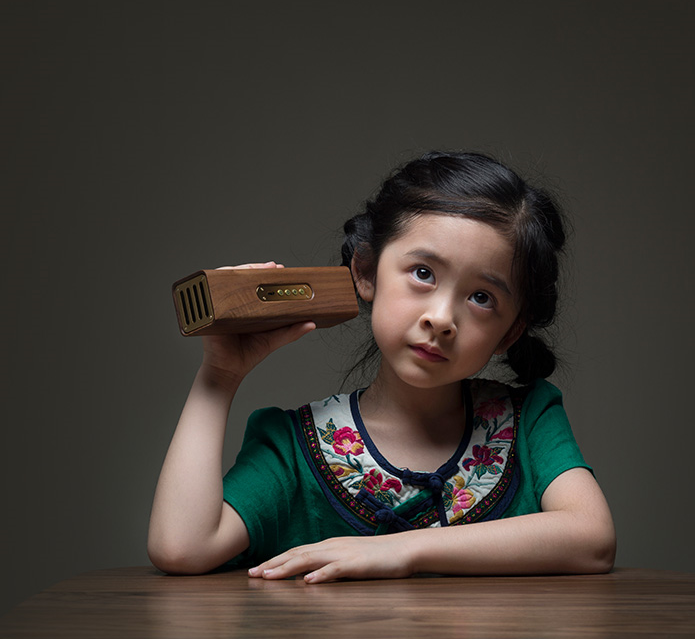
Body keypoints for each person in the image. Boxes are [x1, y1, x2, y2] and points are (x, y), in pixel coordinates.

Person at [147, 151, 616, 583]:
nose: (441, 318)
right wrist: (220, 376)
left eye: (481, 297)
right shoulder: (294, 448)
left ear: (510, 332)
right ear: (367, 272)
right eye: (423, 273)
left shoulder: (529, 421)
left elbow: (592, 539)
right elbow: (181, 547)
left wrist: (404, 550)